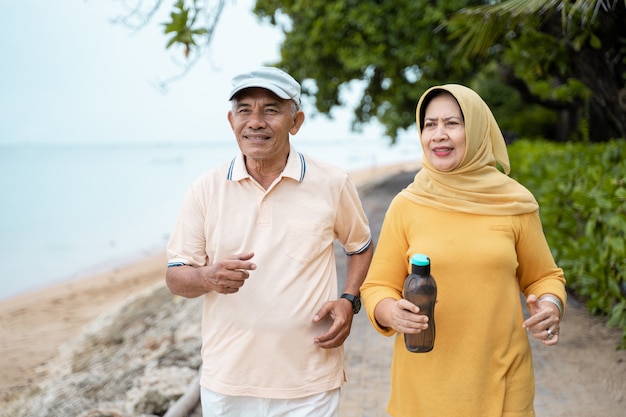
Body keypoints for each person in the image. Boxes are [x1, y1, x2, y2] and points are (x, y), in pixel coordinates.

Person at [165, 66, 373, 417]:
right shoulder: (204, 189)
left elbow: (361, 247)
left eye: (271, 110)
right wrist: (207, 276)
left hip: (310, 381)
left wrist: (349, 301)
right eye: (244, 110)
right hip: (228, 383)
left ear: (296, 121)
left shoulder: (332, 182)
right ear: (231, 120)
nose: (255, 121)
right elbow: (175, 277)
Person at [360, 84, 566, 417]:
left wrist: (551, 307)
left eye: (453, 123)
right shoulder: (407, 205)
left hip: (502, 383)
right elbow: (377, 286)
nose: (438, 135)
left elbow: (544, 277)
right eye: (430, 124)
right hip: (424, 388)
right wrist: (389, 311)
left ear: (478, 130)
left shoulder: (514, 203)